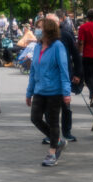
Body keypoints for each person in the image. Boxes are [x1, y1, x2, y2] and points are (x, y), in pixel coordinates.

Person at [26, 16, 72, 167]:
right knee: (35, 118)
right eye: (37, 27)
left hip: (55, 91)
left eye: (40, 27)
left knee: (53, 122)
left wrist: (66, 92)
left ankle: (52, 152)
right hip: (40, 89)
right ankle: (58, 140)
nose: (37, 30)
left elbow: (64, 70)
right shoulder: (38, 46)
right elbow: (33, 71)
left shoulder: (58, 46)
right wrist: (29, 92)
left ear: (48, 30)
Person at [55, 10, 82, 142]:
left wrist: (77, 73)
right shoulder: (44, 37)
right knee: (50, 107)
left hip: (65, 74)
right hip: (49, 77)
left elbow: (76, 54)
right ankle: (51, 134)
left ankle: (67, 132)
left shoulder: (66, 34)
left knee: (65, 105)